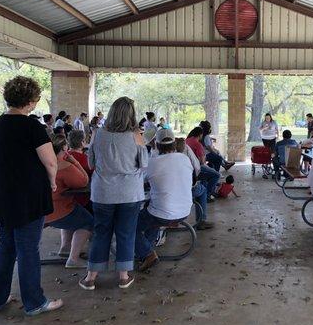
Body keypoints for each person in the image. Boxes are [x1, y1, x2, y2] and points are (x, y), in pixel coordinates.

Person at [0, 76, 63, 315]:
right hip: (29, 196)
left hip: (3, 195)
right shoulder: (32, 127)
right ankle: (34, 301)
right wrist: (53, 182)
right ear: (31, 101)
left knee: (6, 246)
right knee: (28, 248)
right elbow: (50, 161)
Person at [79, 97, 148, 291]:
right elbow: (144, 164)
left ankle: (91, 277)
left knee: (101, 232)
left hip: (102, 192)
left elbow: (91, 164)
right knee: (126, 233)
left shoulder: (98, 134)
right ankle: (123, 277)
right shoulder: (136, 135)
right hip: (129, 193)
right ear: (131, 114)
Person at [134, 128, 194, 272]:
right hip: (185, 210)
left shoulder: (152, 163)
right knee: (152, 213)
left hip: (162, 213)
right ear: (174, 144)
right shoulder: (184, 158)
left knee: (128, 226)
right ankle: (145, 252)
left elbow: (138, 181)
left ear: (156, 144)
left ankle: (148, 254)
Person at [45, 135, 91, 269]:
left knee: (74, 214)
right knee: (88, 222)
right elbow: (83, 181)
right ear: (64, 148)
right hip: (57, 209)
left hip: (40, 210)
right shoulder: (63, 165)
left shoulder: (41, 161)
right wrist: (74, 162)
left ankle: (65, 247)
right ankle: (73, 259)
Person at [186, 126, 220, 222]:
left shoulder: (187, 141)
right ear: (200, 135)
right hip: (196, 169)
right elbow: (201, 162)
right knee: (216, 175)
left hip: (188, 169)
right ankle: (208, 194)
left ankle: (206, 188)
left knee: (205, 178)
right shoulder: (197, 144)